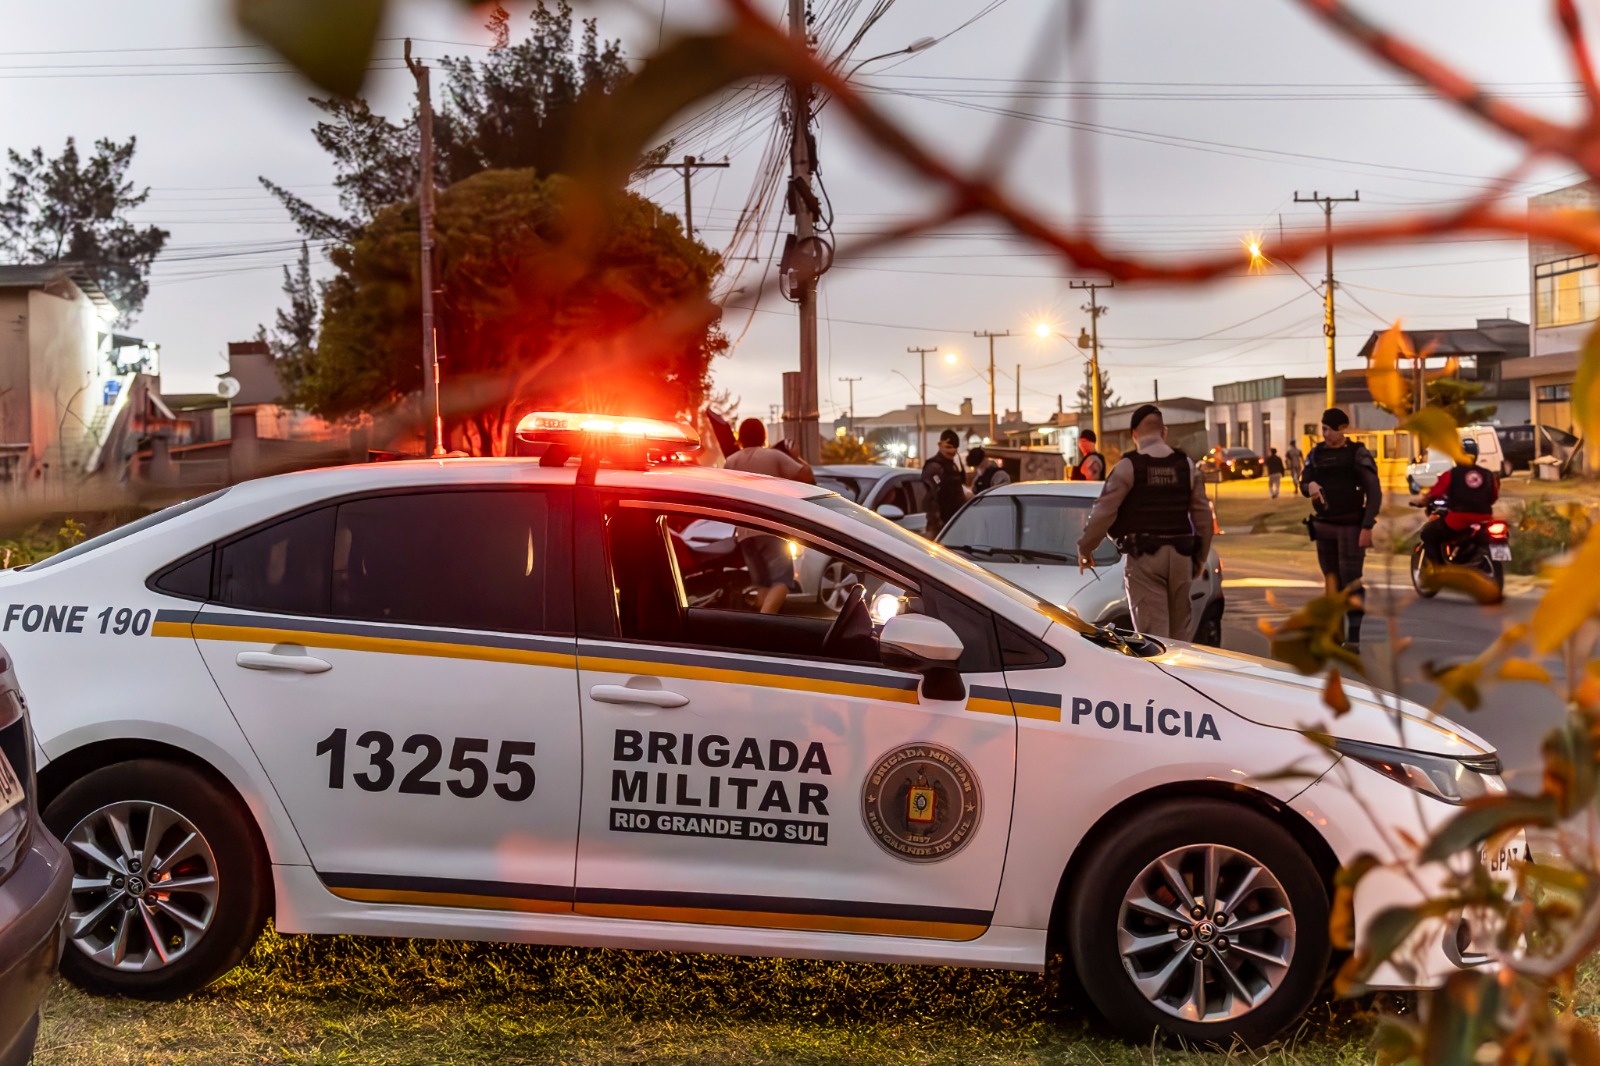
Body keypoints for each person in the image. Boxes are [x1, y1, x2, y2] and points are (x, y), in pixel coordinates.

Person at [1076, 404, 1214, 639]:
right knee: (1180, 638)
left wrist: (1086, 549)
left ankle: (1159, 675)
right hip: (1181, 556)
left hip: (1144, 560)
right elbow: (1204, 519)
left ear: (1134, 435)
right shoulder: (1187, 466)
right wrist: (1199, 557)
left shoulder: (1128, 467)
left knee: (1153, 639)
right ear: (1164, 432)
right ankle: (1179, 674)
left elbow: (1103, 512)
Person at [1300, 408, 1381, 648]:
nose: (1324, 434)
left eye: (1328, 429)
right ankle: (1335, 634)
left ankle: (1353, 637)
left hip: (1351, 526)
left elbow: (1374, 492)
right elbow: (1303, 482)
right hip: (1325, 526)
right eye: (1323, 428)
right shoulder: (1316, 454)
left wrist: (1367, 526)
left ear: (1340, 429)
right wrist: (1310, 485)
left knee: (1351, 580)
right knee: (1332, 580)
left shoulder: (1357, 453)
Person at [723, 418, 815, 614]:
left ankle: (760, 626)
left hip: (745, 533)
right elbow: (806, 476)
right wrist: (797, 456)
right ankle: (763, 625)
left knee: (763, 585)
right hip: (770, 528)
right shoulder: (773, 456)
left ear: (741, 437)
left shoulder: (731, 461)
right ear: (763, 436)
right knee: (783, 581)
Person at [1420, 437, 1498, 565]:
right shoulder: (1489, 474)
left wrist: (1422, 501)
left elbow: (1435, 493)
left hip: (1458, 521)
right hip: (1485, 518)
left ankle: (1439, 570)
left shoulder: (1452, 474)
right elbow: (1493, 497)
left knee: (1428, 532)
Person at [922, 430, 967, 537]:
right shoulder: (934, 467)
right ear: (940, 444)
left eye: (954, 448)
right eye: (948, 447)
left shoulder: (953, 465)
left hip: (954, 524)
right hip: (941, 527)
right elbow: (930, 498)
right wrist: (937, 523)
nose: (952, 451)